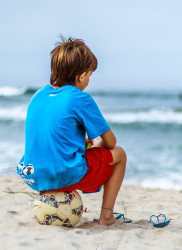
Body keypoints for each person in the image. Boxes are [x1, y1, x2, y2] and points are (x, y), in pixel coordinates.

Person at [18, 36, 128, 226]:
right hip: (64, 174)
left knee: (67, 151)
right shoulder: (80, 98)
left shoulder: (38, 95)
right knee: (120, 155)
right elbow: (110, 143)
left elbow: (53, 136)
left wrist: (85, 142)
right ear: (80, 76)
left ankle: (47, 198)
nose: (88, 82)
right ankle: (107, 216)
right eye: (89, 76)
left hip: (32, 174)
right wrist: (97, 143)